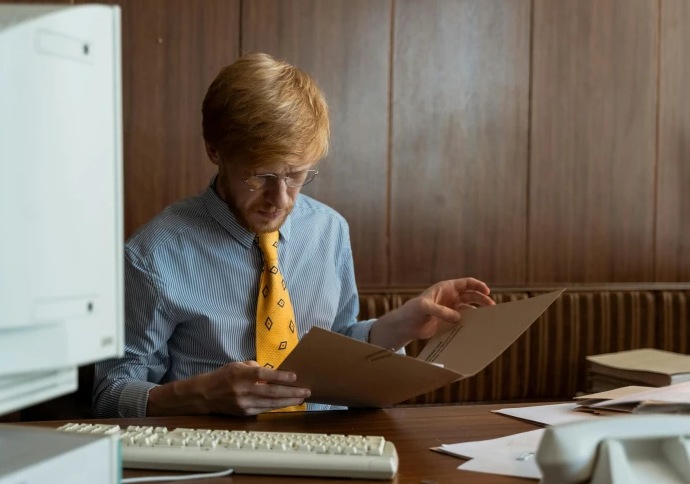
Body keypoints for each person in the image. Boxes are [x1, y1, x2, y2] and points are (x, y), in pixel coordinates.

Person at [93, 53, 495, 418]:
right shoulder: (152, 255)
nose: (280, 199)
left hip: (326, 450)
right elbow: (109, 396)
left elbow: (335, 346)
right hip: (212, 459)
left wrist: (402, 324)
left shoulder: (329, 230)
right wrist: (198, 395)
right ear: (215, 151)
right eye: (261, 176)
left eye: (296, 175)